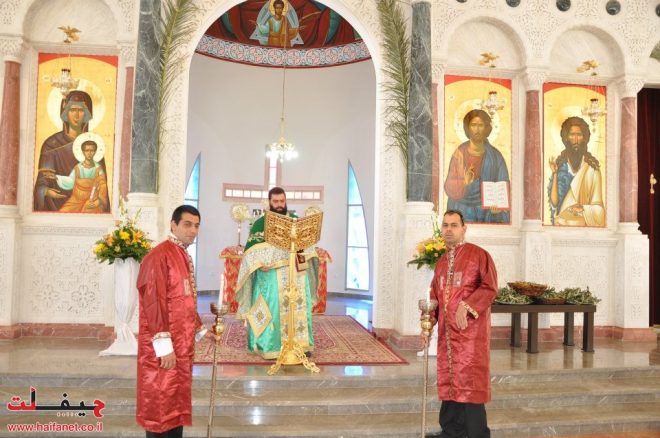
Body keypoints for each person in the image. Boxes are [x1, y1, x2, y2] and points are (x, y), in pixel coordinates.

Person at [136, 205, 215, 438]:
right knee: (160, 404)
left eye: (197, 226)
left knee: (175, 404)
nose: (193, 230)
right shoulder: (159, 256)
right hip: (164, 350)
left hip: (180, 347)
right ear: (173, 225)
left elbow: (184, 301)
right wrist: (164, 347)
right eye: (187, 224)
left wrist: (201, 331)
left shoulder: (181, 254)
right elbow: (154, 304)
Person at [425, 209, 497, 438]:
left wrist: (467, 305)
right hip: (447, 336)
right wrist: (428, 322)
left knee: (469, 383)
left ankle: (477, 433)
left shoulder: (479, 255)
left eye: (454, 225)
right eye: (445, 225)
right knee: (450, 381)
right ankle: (451, 431)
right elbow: (434, 297)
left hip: (470, 336)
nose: (449, 229)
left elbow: (489, 288)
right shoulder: (441, 263)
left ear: (464, 229)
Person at [235, 187, 319, 359]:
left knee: (297, 309)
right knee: (272, 310)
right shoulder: (260, 223)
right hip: (271, 275)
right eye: (276, 201)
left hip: (295, 275)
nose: (279, 204)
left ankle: (301, 346)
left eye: (282, 201)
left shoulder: (295, 221)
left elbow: (306, 247)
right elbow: (250, 252)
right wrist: (259, 264)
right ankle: (270, 346)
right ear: (269, 202)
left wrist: (303, 258)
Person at [33, 90, 105, 212]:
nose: (76, 115)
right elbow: (43, 179)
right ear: (65, 113)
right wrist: (46, 191)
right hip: (57, 206)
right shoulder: (51, 144)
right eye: (72, 110)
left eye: (81, 110)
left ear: (87, 114)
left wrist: (99, 200)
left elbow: (102, 184)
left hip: (89, 206)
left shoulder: (94, 144)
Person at [444, 109, 510, 223]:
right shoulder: (459, 154)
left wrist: (499, 205)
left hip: (487, 211)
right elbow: (449, 186)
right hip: (462, 209)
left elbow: (503, 182)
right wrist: (464, 182)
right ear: (467, 128)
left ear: (486, 128)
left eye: (481, 125)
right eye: (473, 125)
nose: (477, 129)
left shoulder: (495, 156)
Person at [548, 116, 605, 226]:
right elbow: (554, 204)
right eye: (572, 135)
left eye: (579, 135)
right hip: (562, 223)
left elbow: (600, 212)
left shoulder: (593, 170)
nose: (575, 140)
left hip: (583, 224)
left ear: (584, 138)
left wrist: (583, 208)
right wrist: (554, 174)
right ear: (566, 138)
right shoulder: (560, 167)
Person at [57, 136, 109, 213]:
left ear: (95, 152)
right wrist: (56, 177)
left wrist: (98, 201)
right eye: (87, 150)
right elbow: (71, 181)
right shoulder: (78, 167)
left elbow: (103, 185)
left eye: (92, 150)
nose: (89, 153)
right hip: (76, 200)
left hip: (92, 199)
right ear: (83, 152)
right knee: (62, 212)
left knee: (88, 212)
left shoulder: (98, 169)